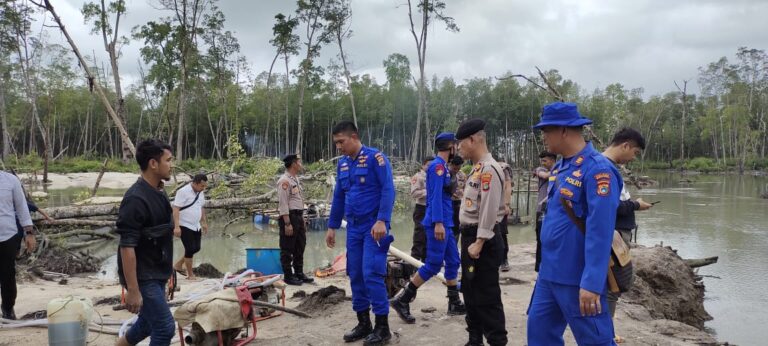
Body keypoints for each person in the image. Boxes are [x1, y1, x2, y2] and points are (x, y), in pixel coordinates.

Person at [526, 102, 621, 346]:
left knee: (595, 342)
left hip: (577, 277)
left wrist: (591, 282)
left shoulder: (598, 170)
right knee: (539, 334)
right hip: (549, 274)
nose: (544, 137)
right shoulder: (561, 166)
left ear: (564, 130)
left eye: (547, 131)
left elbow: (600, 232)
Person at [326, 121, 396, 346]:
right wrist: (332, 226)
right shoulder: (343, 164)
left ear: (354, 136)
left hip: (374, 228)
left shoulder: (376, 158)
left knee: (371, 274)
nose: (338, 147)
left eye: (341, 142)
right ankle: (363, 322)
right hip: (354, 228)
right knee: (355, 273)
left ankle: (382, 328)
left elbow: (388, 189)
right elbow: (338, 196)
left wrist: (382, 220)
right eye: (336, 143)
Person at [390, 133, 466, 323]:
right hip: (438, 223)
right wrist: (438, 222)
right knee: (432, 264)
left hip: (447, 221)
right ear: (450, 146)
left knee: (453, 260)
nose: (457, 147)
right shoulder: (437, 168)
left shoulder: (445, 168)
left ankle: (454, 302)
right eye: (455, 145)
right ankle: (403, 300)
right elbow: (434, 198)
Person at [116, 139, 176, 346]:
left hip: (157, 271)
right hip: (143, 276)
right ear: (153, 164)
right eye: (168, 160)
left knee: (148, 324)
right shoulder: (135, 199)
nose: (172, 164)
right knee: (165, 327)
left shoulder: (159, 191)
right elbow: (127, 247)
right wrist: (133, 290)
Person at [455, 119, 508, 346]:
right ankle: (474, 339)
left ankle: (497, 341)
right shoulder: (476, 169)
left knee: (487, 296)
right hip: (470, 237)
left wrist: (479, 241)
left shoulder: (489, 169)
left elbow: (488, 208)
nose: (458, 148)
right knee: (470, 291)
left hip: (481, 240)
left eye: (460, 143)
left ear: (473, 139)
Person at [602, 128, 652, 343]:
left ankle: (606, 331)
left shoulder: (609, 168)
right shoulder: (604, 169)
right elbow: (609, 207)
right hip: (613, 237)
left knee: (613, 285)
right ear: (625, 145)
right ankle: (606, 334)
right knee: (614, 285)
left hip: (616, 235)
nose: (633, 158)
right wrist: (635, 205)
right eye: (635, 152)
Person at [0, 171, 36, 320]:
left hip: (7, 235)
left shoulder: (10, 180)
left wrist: (29, 232)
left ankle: (8, 309)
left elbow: (22, 207)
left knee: (7, 275)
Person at [276, 154, 314, 286]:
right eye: (299, 162)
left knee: (300, 245)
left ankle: (299, 273)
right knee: (287, 248)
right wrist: (287, 223)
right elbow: (283, 204)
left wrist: (302, 217)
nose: (301, 164)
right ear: (293, 164)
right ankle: (288, 275)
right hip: (289, 217)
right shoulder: (284, 181)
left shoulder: (295, 179)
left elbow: (298, 200)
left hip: (298, 216)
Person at [172, 173, 209, 281]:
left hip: (195, 225)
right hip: (184, 224)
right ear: (195, 183)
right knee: (189, 249)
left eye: (204, 186)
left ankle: (178, 265)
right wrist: (177, 226)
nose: (203, 188)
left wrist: (204, 222)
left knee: (196, 248)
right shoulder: (183, 191)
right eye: (202, 186)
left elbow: (201, 207)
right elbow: (176, 208)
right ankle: (190, 274)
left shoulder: (200, 192)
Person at [532, 151, 556, 272]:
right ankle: (539, 266)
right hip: (541, 210)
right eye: (542, 160)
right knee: (540, 239)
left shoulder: (559, 170)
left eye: (545, 160)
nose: (543, 163)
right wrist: (558, 171)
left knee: (550, 238)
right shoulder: (540, 169)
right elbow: (545, 176)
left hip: (553, 211)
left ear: (552, 160)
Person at [409, 157, 433, 261]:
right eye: (428, 165)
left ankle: (425, 261)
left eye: (432, 165)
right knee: (420, 235)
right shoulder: (418, 177)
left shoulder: (434, 176)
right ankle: (414, 261)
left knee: (429, 236)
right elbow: (414, 193)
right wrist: (429, 191)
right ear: (423, 165)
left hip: (431, 209)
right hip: (421, 209)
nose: (430, 167)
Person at [497, 161, 514, 272]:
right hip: (488, 205)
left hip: (501, 206)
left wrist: (506, 204)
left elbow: (508, 186)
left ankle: (504, 260)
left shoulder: (503, 168)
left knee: (502, 233)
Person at [448, 156, 466, 243]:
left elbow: (466, 188)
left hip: (459, 203)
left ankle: (454, 245)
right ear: (451, 164)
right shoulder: (445, 174)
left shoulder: (462, 175)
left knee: (457, 225)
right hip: (448, 203)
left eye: (459, 168)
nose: (456, 170)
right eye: (455, 168)